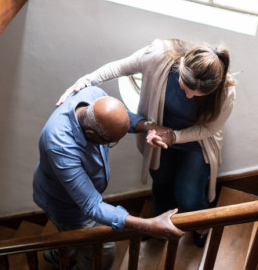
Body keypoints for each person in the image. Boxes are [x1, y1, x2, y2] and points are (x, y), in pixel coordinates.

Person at [56, 39, 236, 247]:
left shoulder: (226, 93)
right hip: (160, 132)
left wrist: (175, 137)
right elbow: (120, 67)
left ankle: (201, 225)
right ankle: (158, 222)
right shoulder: (159, 55)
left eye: (195, 95)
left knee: (188, 193)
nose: (188, 96)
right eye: (185, 88)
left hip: (197, 141)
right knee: (160, 181)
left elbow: (209, 129)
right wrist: (86, 80)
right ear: (181, 65)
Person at [33, 86, 184, 270]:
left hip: (70, 196)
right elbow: (92, 205)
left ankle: (57, 255)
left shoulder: (94, 95)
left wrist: (149, 127)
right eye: (110, 142)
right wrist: (147, 225)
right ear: (90, 134)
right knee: (104, 252)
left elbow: (121, 119)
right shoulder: (59, 145)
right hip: (65, 205)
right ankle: (60, 256)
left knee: (71, 240)